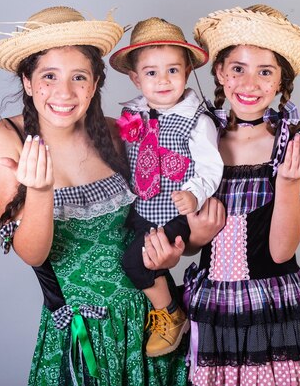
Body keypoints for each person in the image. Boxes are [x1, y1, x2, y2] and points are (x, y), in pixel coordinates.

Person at [0, 6, 190, 386]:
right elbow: (33, 253)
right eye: (49, 76)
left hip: (154, 324)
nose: (65, 92)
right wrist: (41, 191)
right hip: (84, 335)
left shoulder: (117, 132)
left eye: (79, 77)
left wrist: (172, 250)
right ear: (27, 81)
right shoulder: (4, 140)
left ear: (94, 84)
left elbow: (171, 211)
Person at [180, 5, 300, 385]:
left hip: (270, 303)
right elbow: (187, 240)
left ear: (281, 80)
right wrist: (198, 235)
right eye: (238, 68)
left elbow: (281, 251)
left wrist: (287, 182)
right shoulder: (201, 137)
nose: (249, 84)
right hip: (213, 304)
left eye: (264, 71)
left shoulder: (296, 140)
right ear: (219, 72)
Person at [108, 18, 223, 357]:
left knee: (137, 261)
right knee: (120, 255)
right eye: (151, 73)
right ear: (135, 77)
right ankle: (157, 309)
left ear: (187, 72)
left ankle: (172, 316)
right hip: (143, 207)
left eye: (172, 70)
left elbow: (210, 166)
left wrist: (195, 193)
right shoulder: (133, 114)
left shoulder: (197, 120)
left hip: (175, 212)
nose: (162, 81)